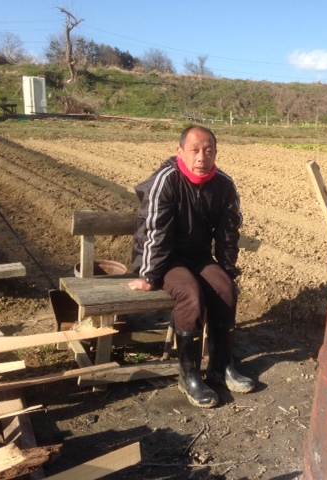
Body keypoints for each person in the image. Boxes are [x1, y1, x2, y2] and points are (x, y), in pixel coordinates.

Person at [129, 125, 255, 408]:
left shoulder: (223, 185)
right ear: (180, 152)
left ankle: (221, 367)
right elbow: (154, 231)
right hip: (166, 260)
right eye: (195, 150)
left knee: (225, 289)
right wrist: (149, 274)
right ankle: (189, 376)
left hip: (198, 256)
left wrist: (227, 271)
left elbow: (228, 233)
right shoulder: (167, 180)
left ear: (215, 153)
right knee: (191, 294)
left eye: (208, 151)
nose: (201, 157)